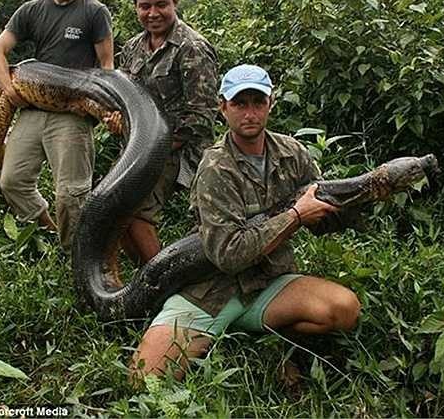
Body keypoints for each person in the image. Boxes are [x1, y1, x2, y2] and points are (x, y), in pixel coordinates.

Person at [131, 64, 361, 381]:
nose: (249, 113)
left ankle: (270, 338)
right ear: (222, 107)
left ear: (271, 104)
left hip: (270, 280)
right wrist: (295, 216)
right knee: (145, 379)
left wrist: (357, 202)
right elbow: (228, 255)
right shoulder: (215, 167)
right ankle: (220, 329)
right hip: (211, 290)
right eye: (239, 103)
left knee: (344, 308)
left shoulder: (293, 153)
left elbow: (323, 223)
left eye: (257, 102)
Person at [0, 0, 114, 247]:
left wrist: (104, 109)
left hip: (72, 113)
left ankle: (77, 255)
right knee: (11, 182)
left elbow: (107, 66)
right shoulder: (30, 11)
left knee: (71, 193)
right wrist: (9, 89)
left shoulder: (94, 12)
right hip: (33, 108)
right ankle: (49, 230)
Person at [119, 0, 218, 263]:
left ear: (175, 2)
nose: (153, 13)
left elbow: (201, 117)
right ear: (136, 6)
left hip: (181, 149)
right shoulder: (133, 47)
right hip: (140, 146)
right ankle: (145, 273)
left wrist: (154, 150)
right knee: (114, 208)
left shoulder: (193, 48)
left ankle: (161, 283)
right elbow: (123, 97)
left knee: (135, 211)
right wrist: (116, 118)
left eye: (161, 5)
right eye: (144, 6)